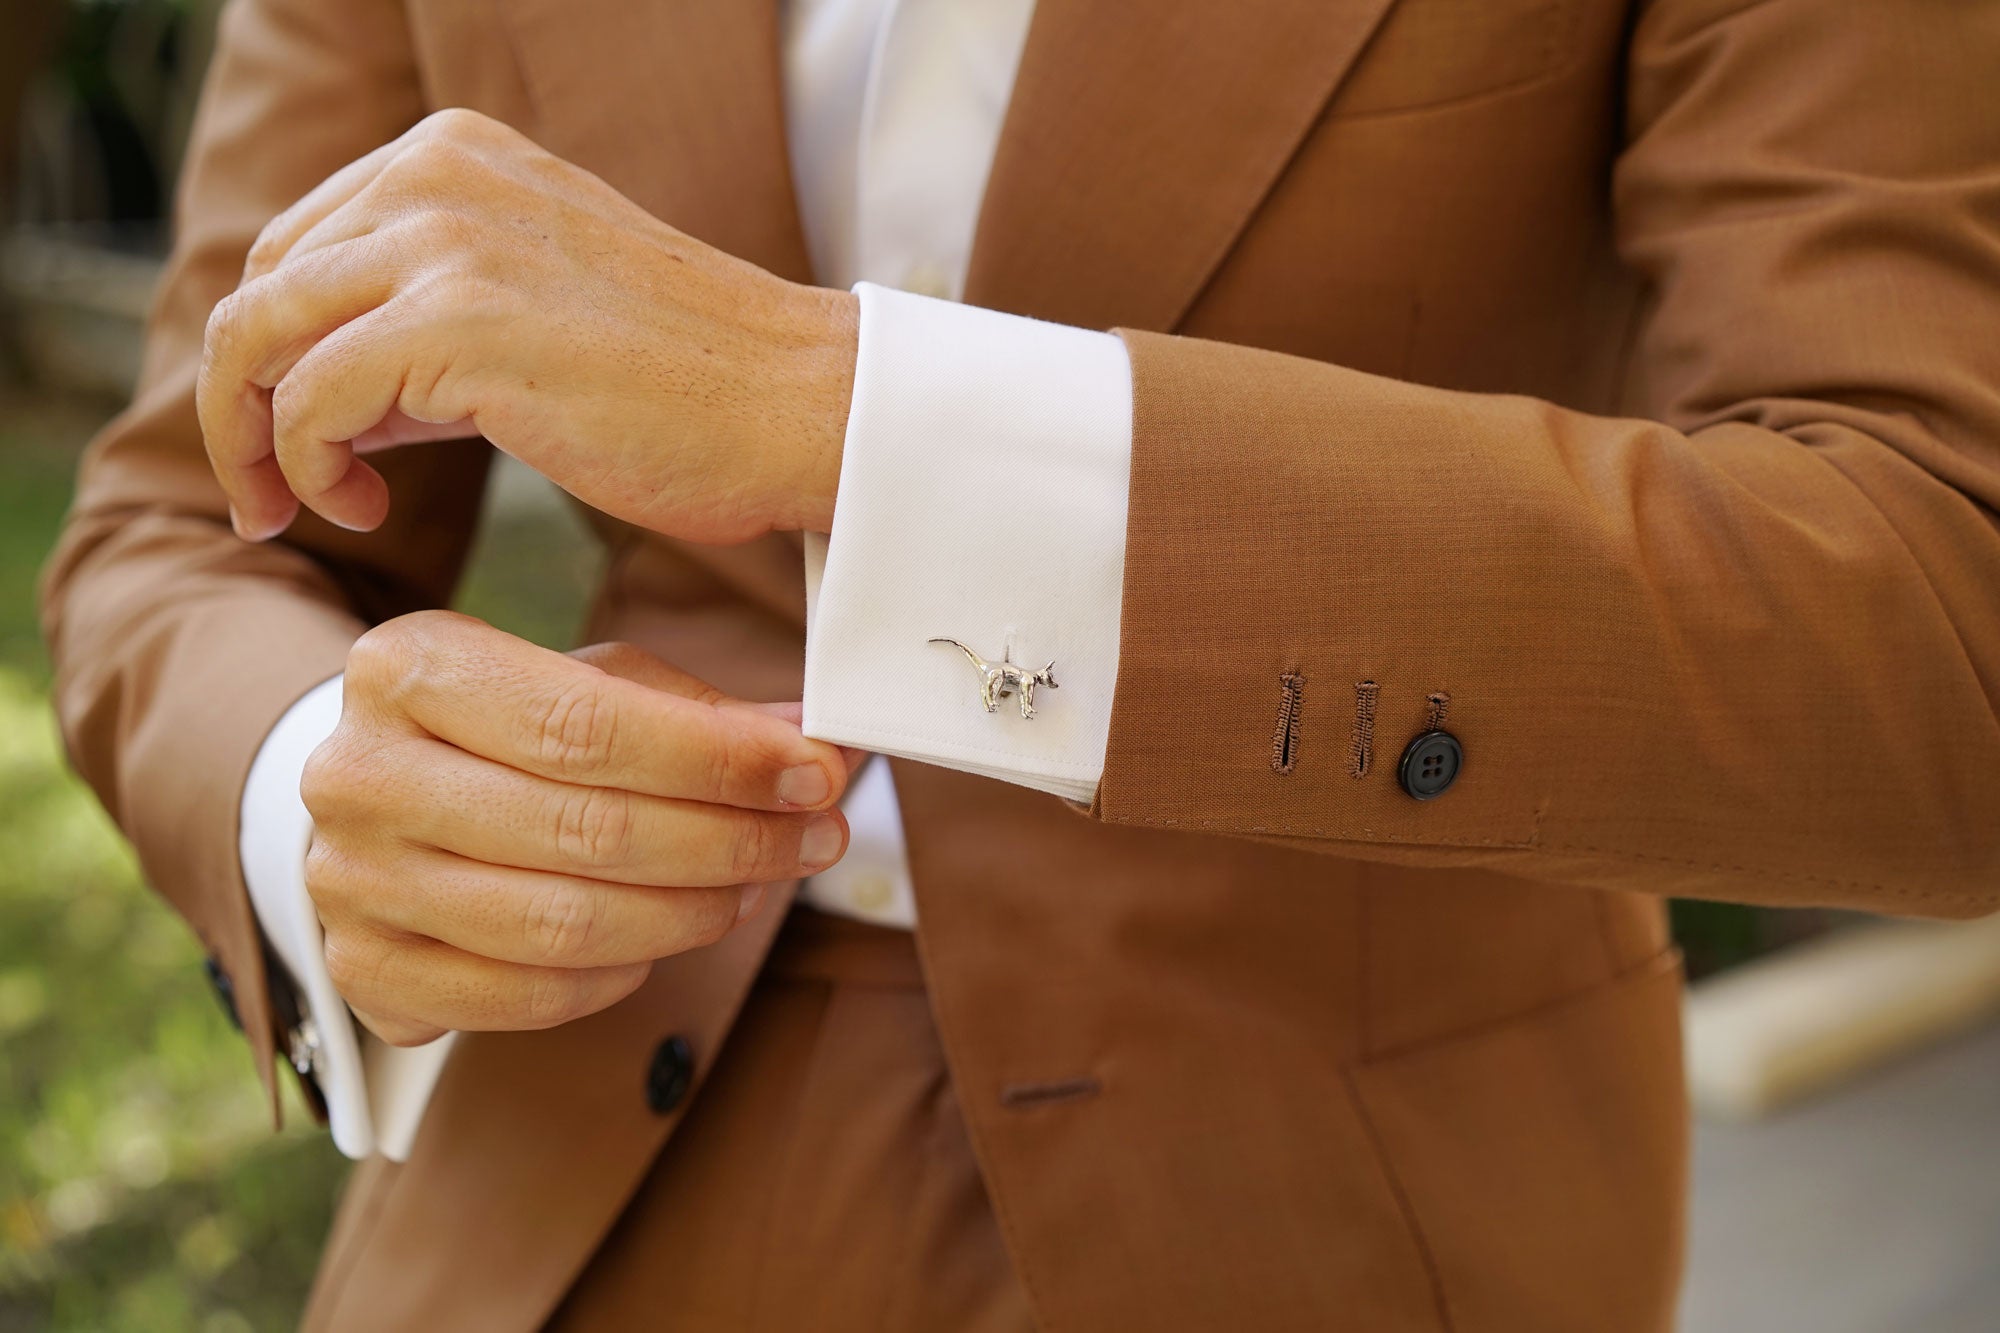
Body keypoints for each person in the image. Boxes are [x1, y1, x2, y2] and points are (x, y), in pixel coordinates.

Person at [41, 0, 2000, 1328]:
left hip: (1343, 1205)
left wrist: (853, 415)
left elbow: (1939, 617)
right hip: (564, 1181)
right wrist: (321, 794)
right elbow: (176, 526)